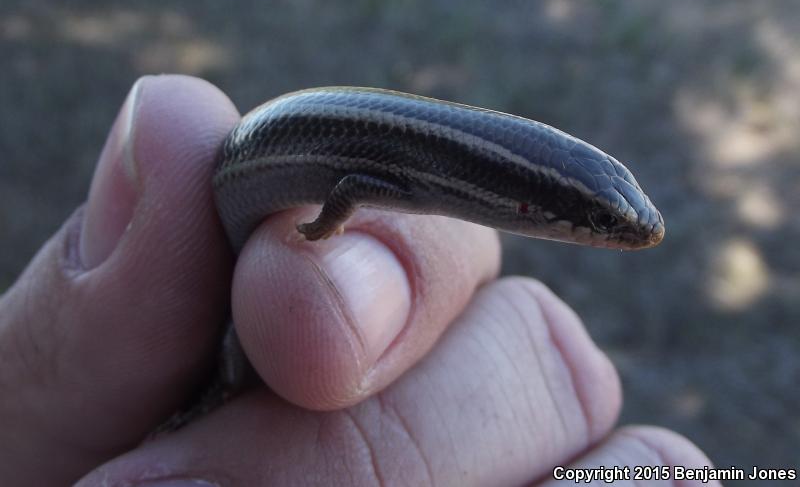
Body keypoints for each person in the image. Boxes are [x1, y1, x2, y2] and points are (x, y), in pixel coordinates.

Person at [0, 76, 716, 486]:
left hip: (256, 209)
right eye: (601, 222)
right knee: (283, 335)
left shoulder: (452, 179)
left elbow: (356, 181)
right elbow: (350, 183)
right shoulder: (439, 174)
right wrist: (324, 230)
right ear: (536, 203)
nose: (624, 237)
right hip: (240, 183)